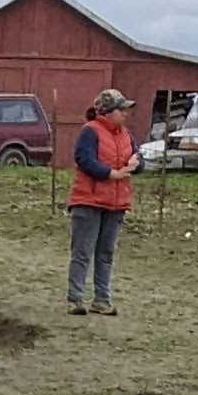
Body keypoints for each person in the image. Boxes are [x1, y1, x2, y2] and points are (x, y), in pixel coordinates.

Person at [66, 88, 134, 315]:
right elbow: (84, 160)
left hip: (116, 203)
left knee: (106, 253)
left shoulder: (125, 134)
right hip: (89, 201)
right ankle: (75, 299)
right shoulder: (90, 132)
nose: (126, 113)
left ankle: (101, 299)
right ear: (107, 112)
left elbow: (137, 157)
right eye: (121, 109)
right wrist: (110, 174)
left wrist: (136, 162)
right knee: (83, 252)